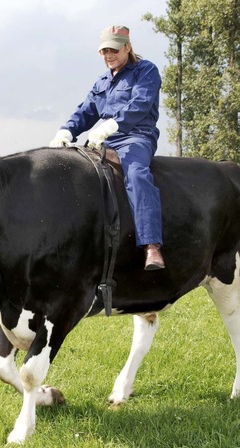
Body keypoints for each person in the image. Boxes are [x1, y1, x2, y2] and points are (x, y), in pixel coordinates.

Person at [49, 25, 165, 271]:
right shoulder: (101, 81)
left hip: (136, 136)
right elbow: (86, 111)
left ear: (127, 47)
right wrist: (66, 130)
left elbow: (141, 104)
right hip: (103, 140)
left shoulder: (146, 71)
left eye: (113, 49)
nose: (108, 55)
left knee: (136, 175)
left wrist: (112, 125)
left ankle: (151, 246)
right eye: (103, 51)